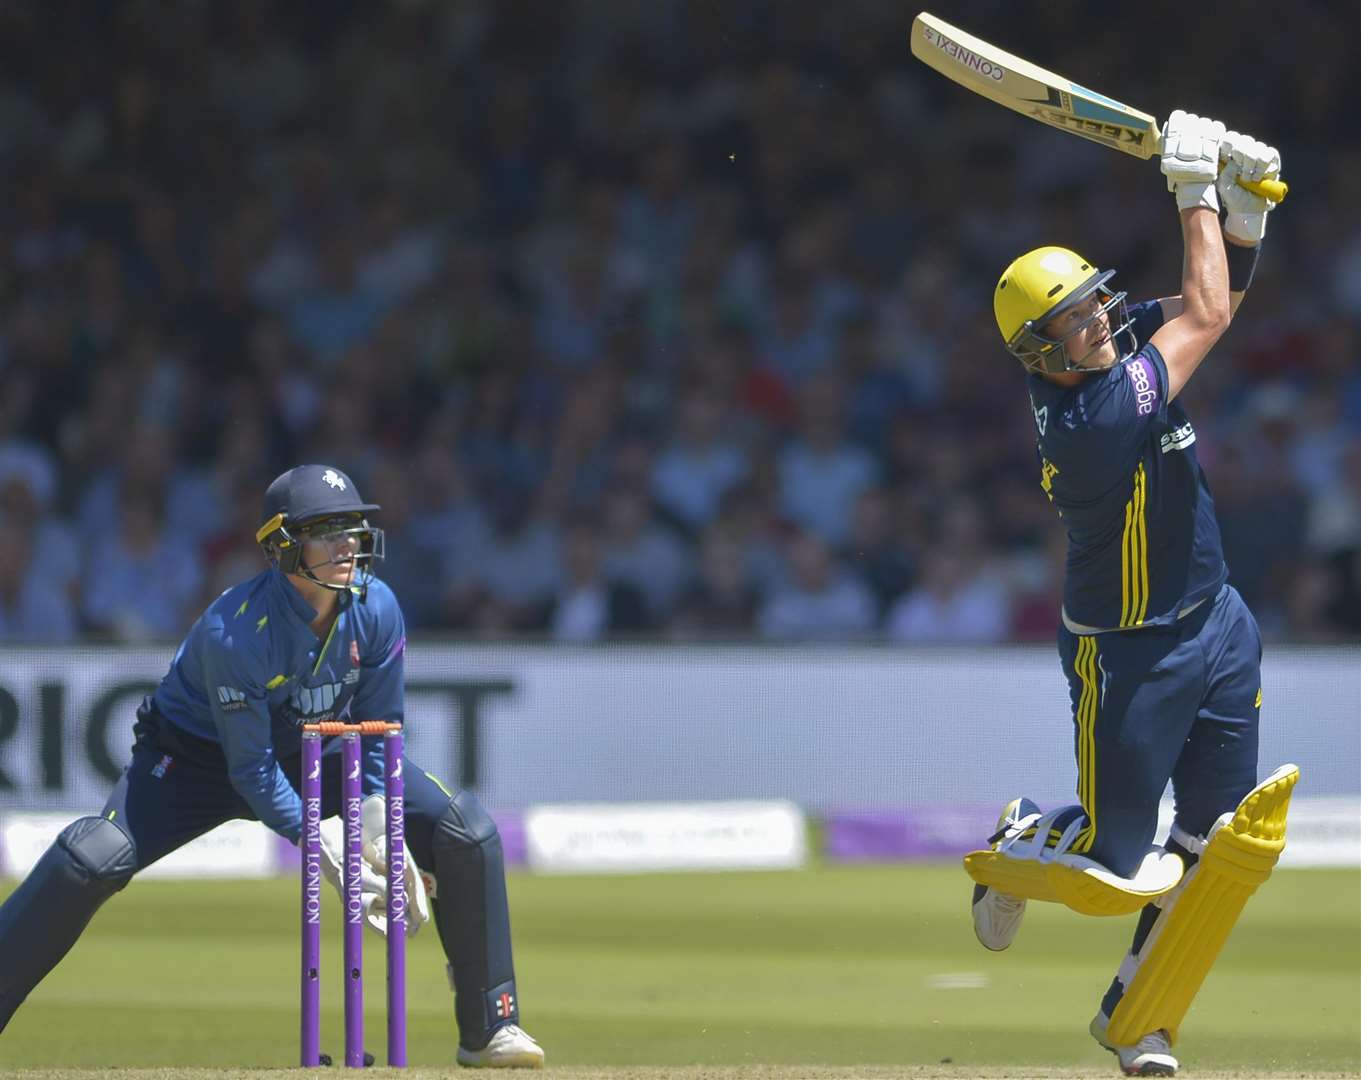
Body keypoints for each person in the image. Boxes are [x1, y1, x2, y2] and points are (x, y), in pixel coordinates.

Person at [0, 464, 545, 1069]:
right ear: (282, 546)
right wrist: (323, 844)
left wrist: (374, 822)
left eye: (354, 529)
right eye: (326, 530)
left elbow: (380, 732)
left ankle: (491, 1029)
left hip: (320, 749)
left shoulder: (378, 607)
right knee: (89, 859)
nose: (348, 545)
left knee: (463, 831)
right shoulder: (234, 631)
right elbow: (252, 770)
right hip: (192, 759)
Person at [969, 113, 1294, 1077]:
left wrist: (1240, 211)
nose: (1100, 321)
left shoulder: (1107, 345)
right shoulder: (1089, 416)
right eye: (1074, 320)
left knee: (1209, 845)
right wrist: (1191, 187)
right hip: (1127, 651)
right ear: (1042, 353)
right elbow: (1209, 317)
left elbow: (1215, 290)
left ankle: (1138, 1017)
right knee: (1118, 867)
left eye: (1096, 303)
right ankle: (1023, 835)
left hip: (1217, 621)